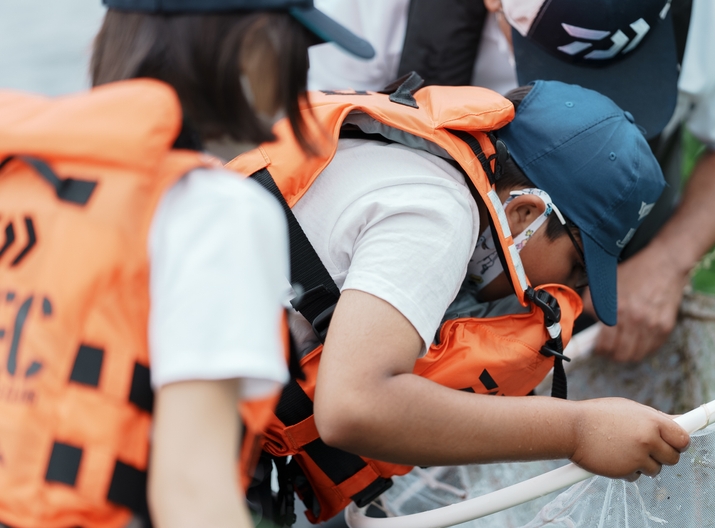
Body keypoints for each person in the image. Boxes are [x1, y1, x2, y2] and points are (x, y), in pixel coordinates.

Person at [227, 79, 691, 525]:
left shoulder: (406, 165)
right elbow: (353, 407)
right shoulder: (437, 212)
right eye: (577, 266)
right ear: (526, 213)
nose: (573, 289)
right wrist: (578, 430)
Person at [0, 1, 373, 527]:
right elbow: (192, 493)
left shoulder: (19, 171)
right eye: (297, 51)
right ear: (255, 49)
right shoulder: (210, 209)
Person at [307, 0, 715, 363]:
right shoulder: (364, 13)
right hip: (398, 231)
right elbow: (313, 153)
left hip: (599, 232)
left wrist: (667, 263)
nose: (590, 103)